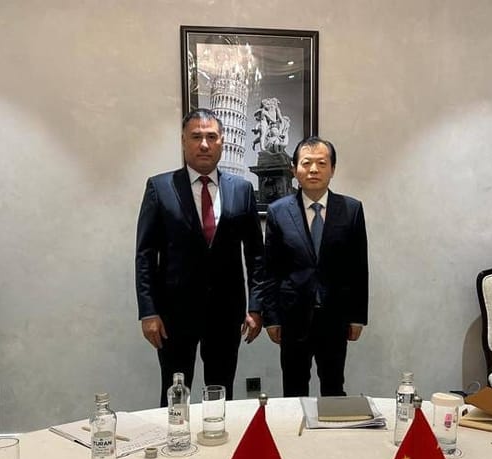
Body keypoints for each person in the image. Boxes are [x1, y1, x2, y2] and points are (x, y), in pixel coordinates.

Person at [136, 108, 265, 407]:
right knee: (174, 393)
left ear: (222, 141)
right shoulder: (160, 188)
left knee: (221, 393)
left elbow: (256, 255)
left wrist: (256, 306)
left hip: (226, 313)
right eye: (196, 137)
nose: (204, 144)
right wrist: (148, 311)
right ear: (183, 142)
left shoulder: (242, 190)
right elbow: (145, 255)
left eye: (211, 137)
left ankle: (219, 438)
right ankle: (176, 436)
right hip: (173, 314)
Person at [262, 136, 368, 397]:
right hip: (293, 317)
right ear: (294, 169)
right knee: (294, 389)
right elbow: (271, 270)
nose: (313, 170)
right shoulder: (278, 211)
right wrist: (271, 318)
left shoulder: (351, 209)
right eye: (306, 163)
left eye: (321, 163)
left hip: (335, 315)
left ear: (333, 169)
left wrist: (357, 316)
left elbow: (358, 267)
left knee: (334, 387)